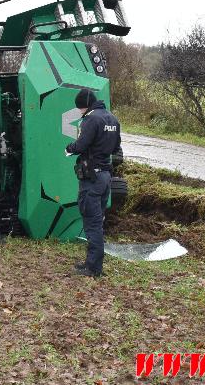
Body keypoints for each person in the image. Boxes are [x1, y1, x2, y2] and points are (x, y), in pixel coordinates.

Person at [65, 89, 121, 277]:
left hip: (92, 178)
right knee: (98, 221)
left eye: (80, 108)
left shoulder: (91, 119)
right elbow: (116, 149)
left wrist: (69, 148)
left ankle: (93, 268)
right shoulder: (112, 119)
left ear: (84, 105)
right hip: (105, 176)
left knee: (92, 223)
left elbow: (81, 145)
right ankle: (93, 264)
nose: (80, 111)